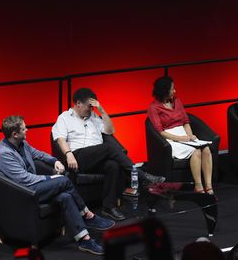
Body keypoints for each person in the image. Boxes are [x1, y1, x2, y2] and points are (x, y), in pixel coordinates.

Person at [0, 116, 114, 255]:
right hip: (23, 193)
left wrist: (54, 161)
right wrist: (50, 178)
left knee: (66, 196)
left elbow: (38, 154)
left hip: (32, 187)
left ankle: (84, 239)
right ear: (14, 134)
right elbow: (25, 179)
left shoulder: (22, 143)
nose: (27, 130)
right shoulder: (4, 154)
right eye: (24, 128)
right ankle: (87, 215)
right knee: (63, 181)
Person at [52, 87, 165, 221]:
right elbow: (60, 138)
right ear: (78, 103)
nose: (91, 109)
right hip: (78, 158)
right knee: (109, 148)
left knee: (113, 165)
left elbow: (110, 131)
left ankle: (108, 207)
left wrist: (102, 111)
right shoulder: (65, 117)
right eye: (89, 106)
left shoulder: (94, 116)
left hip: (97, 157)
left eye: (93, 107)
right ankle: (141, 175)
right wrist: (69, 154)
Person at [147, 76, 214, 194]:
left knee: (206, 149)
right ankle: (198, 186)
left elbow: (186, 121)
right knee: (196, 151)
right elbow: (161, 132)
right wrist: (181, 138)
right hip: (170, 138)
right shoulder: (154, 108)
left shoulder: (177, 101)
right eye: (172, 89)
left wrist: (190, 135)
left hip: (184, 134)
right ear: (164, 91)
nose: (175, 91)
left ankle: (208, 186)